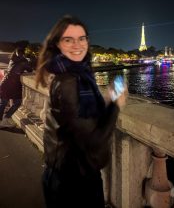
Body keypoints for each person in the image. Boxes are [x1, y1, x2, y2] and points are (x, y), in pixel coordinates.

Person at [35, 15, 128, 208]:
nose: (77, 45)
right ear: (58, 44)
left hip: (67, 173)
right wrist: (115, 105)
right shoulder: (70, 80)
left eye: (82, 38)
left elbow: (78, 117)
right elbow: (93, 140)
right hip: (73, 181)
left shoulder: (74, 73)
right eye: (68, 39)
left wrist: (106, 100)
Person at [0, 47, 33, 128]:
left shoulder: (12, 59)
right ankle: (5, 119)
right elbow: (30, 70)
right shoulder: (24, 61)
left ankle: (2, 121)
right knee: (17, 102)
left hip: (5, 83)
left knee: (3, 103)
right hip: (14, 85)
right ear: (23, 53)